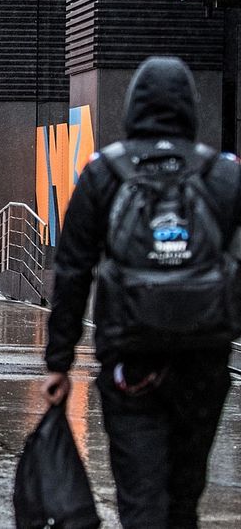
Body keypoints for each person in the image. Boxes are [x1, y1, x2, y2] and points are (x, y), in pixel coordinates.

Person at [43, 57, 241, 529]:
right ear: (190, 107)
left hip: (129, 361)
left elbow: (73, 270)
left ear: (133, 106)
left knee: (140, 500)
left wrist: (59, 362)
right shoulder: (223, 174)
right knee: (183, 498)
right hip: (204, 358)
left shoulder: (103, 173)